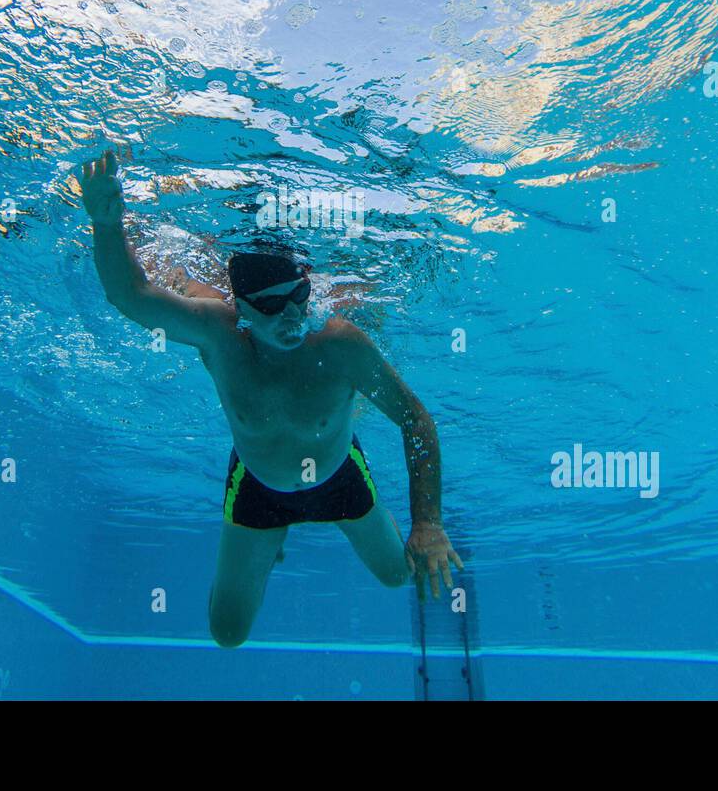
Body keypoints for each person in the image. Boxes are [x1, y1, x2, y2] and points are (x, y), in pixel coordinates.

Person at [79, 149, 462, 648]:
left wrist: (428, 523)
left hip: (340, 476)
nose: (291, 317)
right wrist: (106, 222)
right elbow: (130, 297)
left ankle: (324, 529)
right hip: (257, 488)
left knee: (397, 576)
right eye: (271, 304)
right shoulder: (218, 334)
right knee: (227, 633)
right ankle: (269, 543)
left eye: (299, 297)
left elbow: (414, 418)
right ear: (240, 307)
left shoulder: (342, 345)